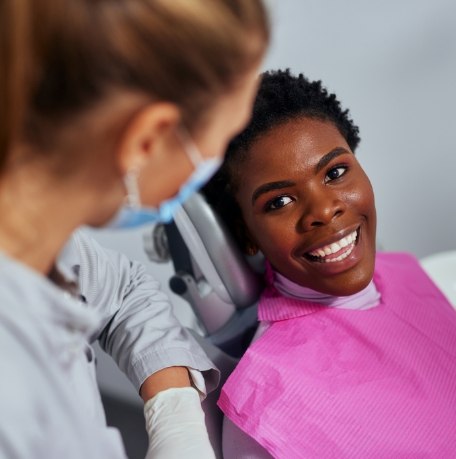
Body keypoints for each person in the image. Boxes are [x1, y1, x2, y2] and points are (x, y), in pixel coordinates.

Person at [0, 1, 269, 458]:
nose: (211, 165)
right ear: (147, 140)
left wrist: (175, 412)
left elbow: (123, 290)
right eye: (221, 142)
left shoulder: (42, 236)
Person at [203, 69, 456, 458]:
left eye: (335, 173)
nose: (323, 210)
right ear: (247, 233)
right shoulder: (269, 409)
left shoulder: (405, 272)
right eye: (279, 202)